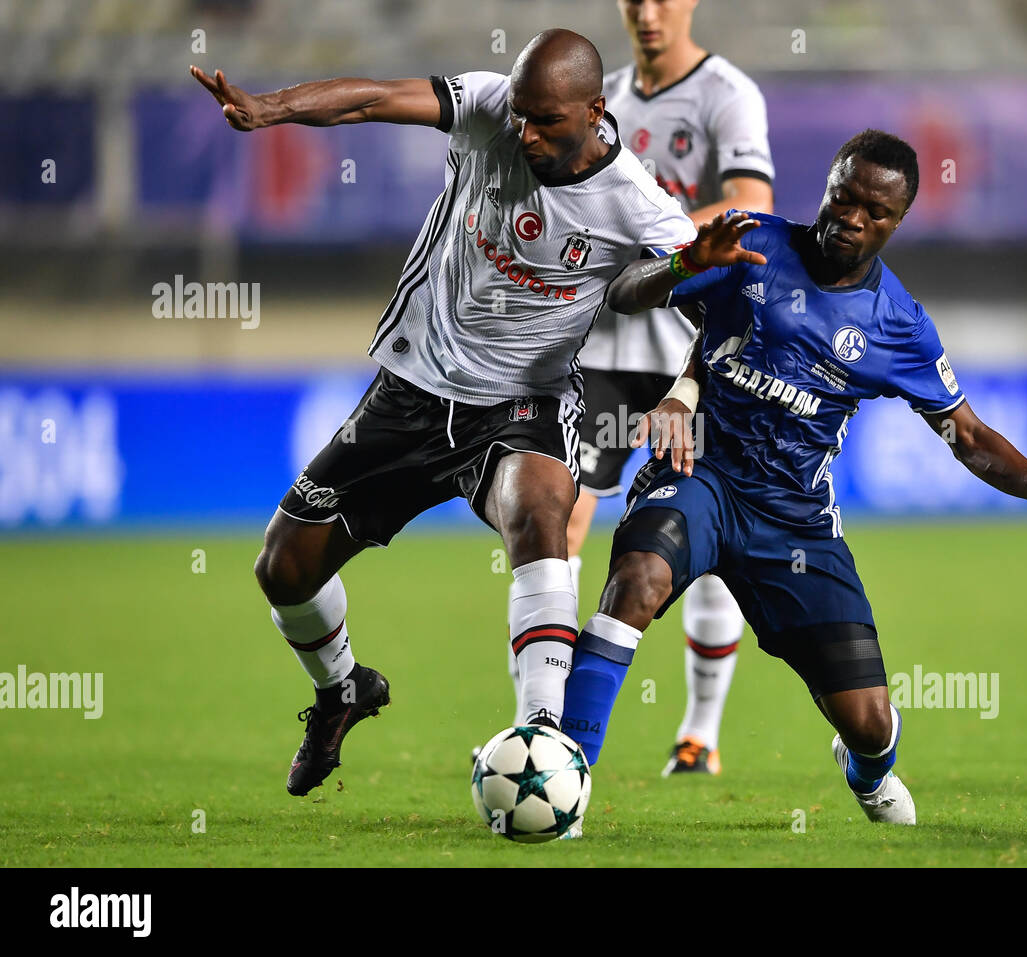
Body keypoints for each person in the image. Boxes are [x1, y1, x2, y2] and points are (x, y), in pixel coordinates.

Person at [190, 28, 721, 797]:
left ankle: (544, 739)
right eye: (521, 116)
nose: (524, 131)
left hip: (517, 405)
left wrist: (683, 388)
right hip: (409, 388)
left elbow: (715, 304)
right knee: (283, 569)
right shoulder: (490, 106)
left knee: (543, 513)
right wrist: (270, 107)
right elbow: (373, 97)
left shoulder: (636, 201)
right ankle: (343, 690)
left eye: (544, 120)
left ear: (595, 111)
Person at [558, 130, 1027, 824]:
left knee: (868, 720)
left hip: (793, 516)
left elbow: (969, 436)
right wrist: (684, 263)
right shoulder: (752, 243)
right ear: (829, 187)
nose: (853, 218)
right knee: (638, 581)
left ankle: (868, 773)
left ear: (898, 221)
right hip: (700, 472)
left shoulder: (898, 324)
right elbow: (626, 292)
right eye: (845, 197)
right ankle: (566, 775)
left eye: (875, 211)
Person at [508, 0, 775, 777]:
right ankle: (542, 723)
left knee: (705, 528)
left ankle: (699, 730)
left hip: (695, 345)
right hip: (606, 346)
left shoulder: (728, 94)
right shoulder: (602, 98)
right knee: (557, 522)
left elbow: (752, 206)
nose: (650, 12)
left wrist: (650, 226)